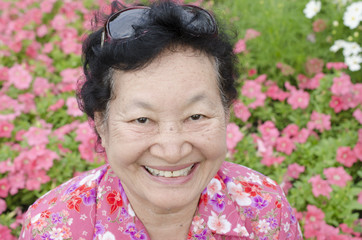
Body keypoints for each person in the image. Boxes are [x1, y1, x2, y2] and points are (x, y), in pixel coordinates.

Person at [19, 1, 303, 239]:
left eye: (195, 116)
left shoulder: (265, 209)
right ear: (101, 124)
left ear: (226, 113)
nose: (172, 150)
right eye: (142, 119)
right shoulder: (52, 227)